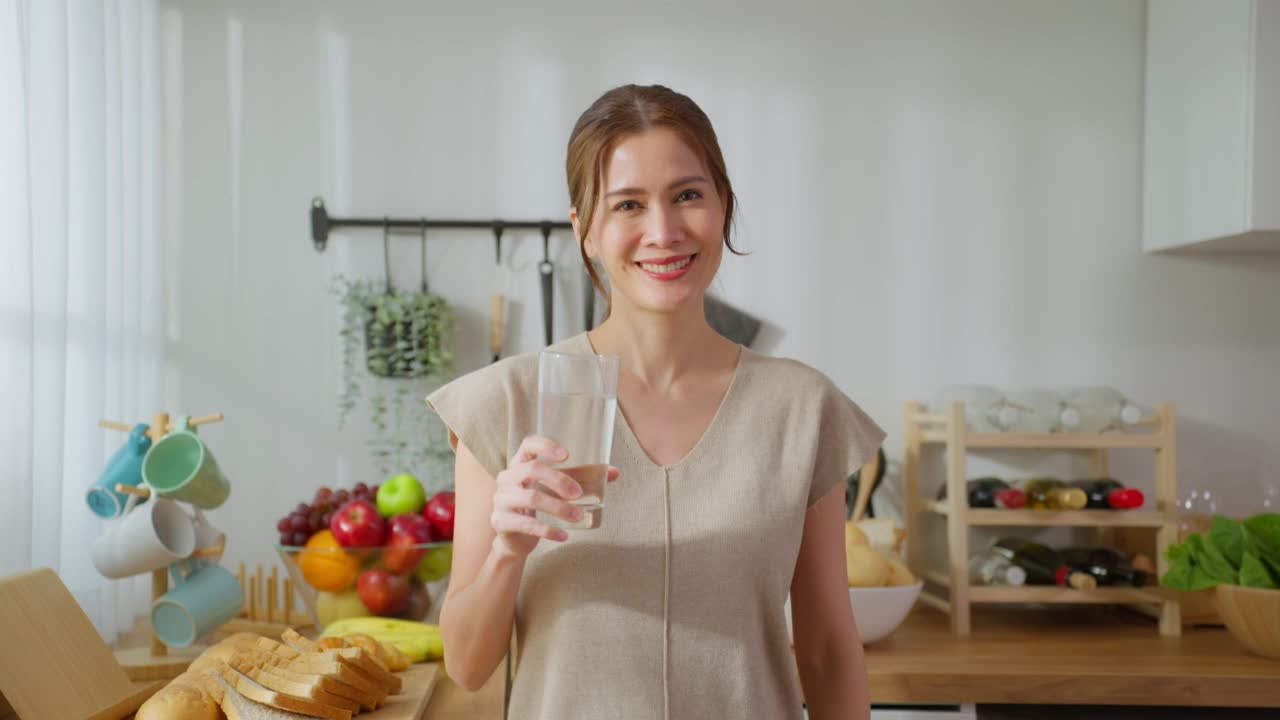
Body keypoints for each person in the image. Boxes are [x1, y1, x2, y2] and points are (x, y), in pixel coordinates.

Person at [426, 83, 885, 720]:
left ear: (724, 206)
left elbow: (831, 650)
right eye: (628, 205)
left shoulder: (802, 408)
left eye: (688, 195)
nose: (663, 231)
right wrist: (508, 550)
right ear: (585, 230)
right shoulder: (507, 400)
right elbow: (467, 666)